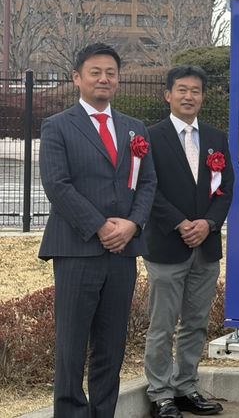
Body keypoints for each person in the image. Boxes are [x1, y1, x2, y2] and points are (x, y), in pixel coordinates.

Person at [38, 42, 156, 418]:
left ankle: (104, 411)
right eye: (95, 72)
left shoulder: (135, 129)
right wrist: (100, 225)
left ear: (118, 80)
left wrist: (133, 224)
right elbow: (57, 184)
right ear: (77, 78)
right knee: (71, 345)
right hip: (77, 249)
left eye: (111, 73)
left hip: (123, 252)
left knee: (112, 344)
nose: (104, 79)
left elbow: (148, 182)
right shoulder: (57, 126)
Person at [144, 66, 234, 418]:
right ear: (168, 94)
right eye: (181, 90)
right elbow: (147, 188)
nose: (188, 96)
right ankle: (160, 393)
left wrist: (209, 223)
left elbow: (226, 188)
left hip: (206, 246)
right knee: (162, 324)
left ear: (202, 96)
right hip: (167, 245)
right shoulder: (150, 136)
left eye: (195, 91)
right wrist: (181, 223)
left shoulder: (216, 137)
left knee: (196, 322)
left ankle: (186, 387)